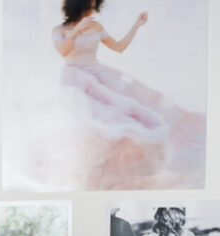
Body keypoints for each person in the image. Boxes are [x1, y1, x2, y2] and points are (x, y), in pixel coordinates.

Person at [47, 0, 205, 190]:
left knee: (127, 116)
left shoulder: (96, 26)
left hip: (100, 77)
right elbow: (63, 51)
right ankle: (88, 175)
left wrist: (137, 25)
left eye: (94, 6)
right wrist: (76, 30)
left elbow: (119, 47)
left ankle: (118, 172)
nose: (93, 11)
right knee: (88, 124)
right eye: (90, 6)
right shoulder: (59, 30)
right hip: (76, 81)